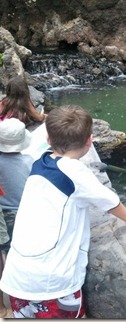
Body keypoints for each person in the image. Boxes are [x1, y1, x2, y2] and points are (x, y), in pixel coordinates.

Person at [0, 105, 126, 318]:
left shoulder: (40, 162)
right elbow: (109, 201)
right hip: (51, 283)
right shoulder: (75, 171)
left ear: (48, 140)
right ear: (89, 141)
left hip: (18, 276)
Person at [0, 118, 34, 319]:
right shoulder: (29, 161)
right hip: (22, 215)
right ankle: (24, 300)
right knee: (20, 255)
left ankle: (3, 305)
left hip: (3, 214)